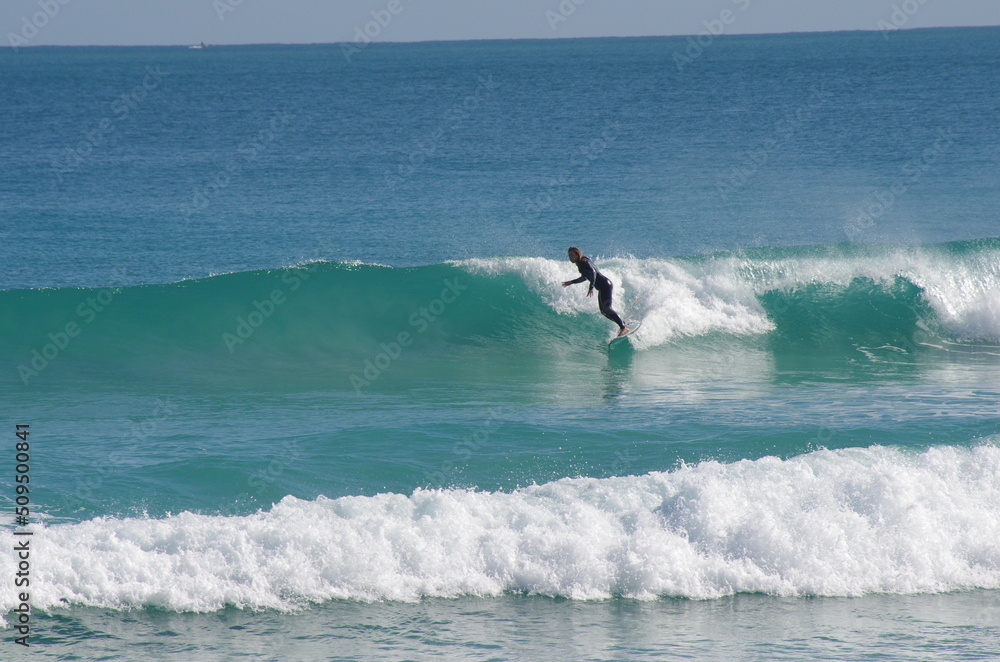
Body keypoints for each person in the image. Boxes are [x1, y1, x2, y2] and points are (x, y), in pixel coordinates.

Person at [561, 246, 628, 337]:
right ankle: (622, 323)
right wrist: (572, 282)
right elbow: (585, 277)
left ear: (577, 255)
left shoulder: (584, 262)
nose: (570, 258)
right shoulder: (580, 263)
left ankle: (623, 327)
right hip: (602, 287)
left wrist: (591, 286)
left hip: (605, 285)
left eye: (572, 255)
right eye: (569, 256)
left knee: (607, 308)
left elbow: (593, 273)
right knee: (603, 311)